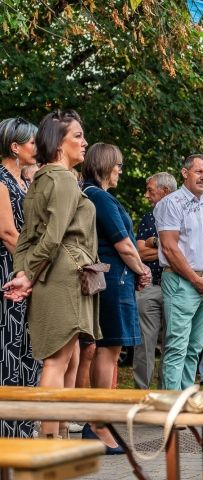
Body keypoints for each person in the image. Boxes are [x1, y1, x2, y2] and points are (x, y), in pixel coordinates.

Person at [3, 110, 102, 438]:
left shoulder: (42, 179)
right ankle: (50, 442)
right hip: (62, 275)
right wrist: (28, 275)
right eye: (77, 136)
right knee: (57, 363)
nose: (84, 142)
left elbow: (27, 237)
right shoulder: (60, 179)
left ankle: (54, 437)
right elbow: (51, 236)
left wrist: (23, 272)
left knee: (60, 361)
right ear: (59, 143)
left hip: (54, 274)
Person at [81, 143, 151, 452]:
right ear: (106, 165)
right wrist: (142, 270)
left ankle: (99, 423)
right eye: (118, 164)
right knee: (108, 351)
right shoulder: (99, 197)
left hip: (116, 280)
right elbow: (122, 243)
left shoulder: (96, 196)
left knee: (108, 351)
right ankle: (98, 424)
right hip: (113, 280)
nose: (121, 170)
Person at [156, 154, 203, 390]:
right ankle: (171, 407)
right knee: (177, 346)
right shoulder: (170, 203)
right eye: (199, 172)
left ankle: (184, 400)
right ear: (185, 173)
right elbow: (169, 248)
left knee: (194, 347)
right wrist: (196, 280)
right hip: (182, 282)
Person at [0, 117, 40, 438]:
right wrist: (36, 269)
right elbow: (8, 233)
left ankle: (22, 431)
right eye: (32, 142)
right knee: (8, 349)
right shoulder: (0, 180)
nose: (37, 148)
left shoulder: (24, 182)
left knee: (27, 349)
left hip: (26, 272)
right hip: (10, 273)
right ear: (15, 147)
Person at [133, 172, 177, 389]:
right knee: (144, 345)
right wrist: (166, 247)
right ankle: (141, 396)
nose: (146, 195)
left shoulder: (183, 215)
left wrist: (156, 244)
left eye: (150, 190)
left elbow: (186, 251)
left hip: (176, 289)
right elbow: (139, 253)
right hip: (149, 288)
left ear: (165, 191)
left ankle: (165, 396)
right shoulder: (149, 217)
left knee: (173, 346)